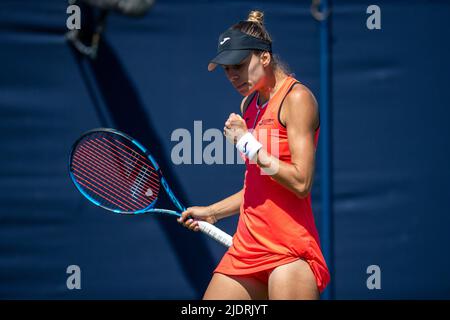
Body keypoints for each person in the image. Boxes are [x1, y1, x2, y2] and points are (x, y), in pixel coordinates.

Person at [178, 10, 329, 300]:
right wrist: (211, 212)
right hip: (246, 251)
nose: (233, 75)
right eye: (226, 68)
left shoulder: (297, 99)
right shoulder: (250, 103)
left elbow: (301, 182)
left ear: (264, 57)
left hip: (288, 254)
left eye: (239, 64)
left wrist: (247, 143)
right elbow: (258, 186)